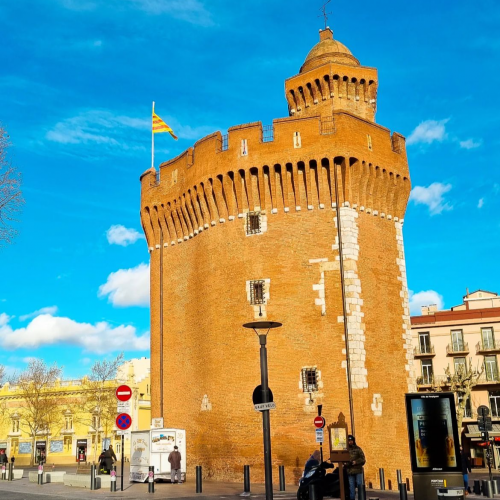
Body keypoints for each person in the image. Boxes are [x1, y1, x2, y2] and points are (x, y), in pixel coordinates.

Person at [346, 435, 365, 500]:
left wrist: (356, 462)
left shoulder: (358, 449)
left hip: (358, 470)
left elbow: (363, 459)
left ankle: (361, 498)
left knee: (360, 485)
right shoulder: (345, 450)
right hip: (350, 470)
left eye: (351, 440)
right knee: (351, 487)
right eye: (349, 441)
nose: (350, 442)